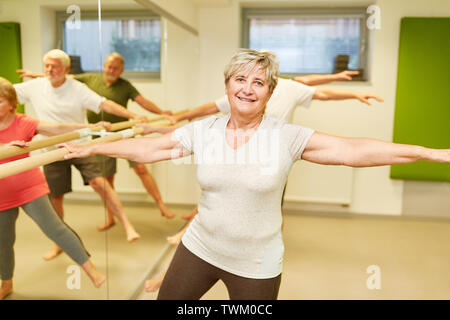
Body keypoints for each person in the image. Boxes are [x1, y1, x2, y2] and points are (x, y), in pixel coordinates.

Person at [61, 49, 449, 300]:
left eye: (258, 82)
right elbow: (150, 148)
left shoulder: (287, 136)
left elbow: (353, 150)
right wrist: (93, 146)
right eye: (240, 80)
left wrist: (428, 153)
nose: (248, 89)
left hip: (256, 262)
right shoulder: (204, 130)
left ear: (269, 92)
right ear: (227, 86)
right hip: (198, 248)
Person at [18, 52, 179, 226]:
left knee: (131, 172)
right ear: (104, 67)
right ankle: (108, 220)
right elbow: (57, 77)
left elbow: (130, 102)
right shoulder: (89, 79)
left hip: (113, 136)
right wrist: (37, 75)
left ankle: (149, 212)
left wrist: (153, 114)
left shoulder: (120, 86)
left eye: (116, 68)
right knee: (96, 181)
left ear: (121, 70)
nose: (111, 70)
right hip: (90, 139)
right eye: (109, 66)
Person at [12, 49, 142, 261]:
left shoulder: (77, 88)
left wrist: (134, 115)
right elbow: (7, 93)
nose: (49, 70)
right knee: (56, 198)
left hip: (80, 146)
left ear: (66, 69)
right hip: (52, 151)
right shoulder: (36, 86)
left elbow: (104, 104)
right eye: (46, 66)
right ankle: (58, 244)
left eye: (54, 66)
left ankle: (127, 225)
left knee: (100, 183)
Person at [0, 77, 106, 300]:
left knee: (55, 228)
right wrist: (5, 147)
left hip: (30, 187)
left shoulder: (23, 122)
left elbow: (57, 128)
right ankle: (6, 282)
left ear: (11, 102)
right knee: (3, 240)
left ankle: (91, 271)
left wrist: (90, 127)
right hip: (2, 194)